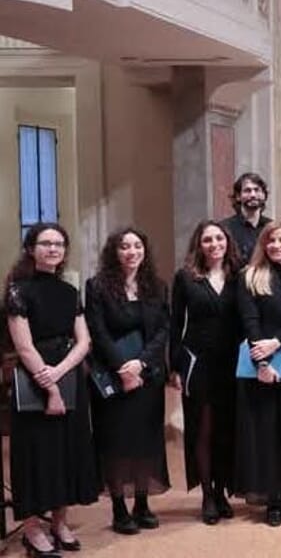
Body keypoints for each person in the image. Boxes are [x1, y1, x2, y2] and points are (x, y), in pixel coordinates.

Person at [4, 223, 98, 556]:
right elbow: (24, 346)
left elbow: (84, 340)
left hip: (68, 373)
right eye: (45, 243)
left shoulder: (69, 291)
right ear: (31, 249)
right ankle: (32, 529)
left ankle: (59, 523)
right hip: (34, 378)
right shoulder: (18, 289)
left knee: (66, 453)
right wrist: (51, 385)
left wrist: (61, 371)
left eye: (59, 243)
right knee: (36, 456)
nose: (53, 249)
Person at [85, 227, 171, 534]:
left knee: (145, 441)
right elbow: (98, 331)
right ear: (114, 252)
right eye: (124, 246)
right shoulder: (97, 287)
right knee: (116, 443)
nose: (131, 252)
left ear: (144, 251)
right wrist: (123, 368)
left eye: (137, 245)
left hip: (148, 376)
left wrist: (141, 363)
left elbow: (163, 330)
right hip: (113, 376)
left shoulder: (157, 287)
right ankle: (120, 508)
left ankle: (143, 503)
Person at [234, 221, 281, 526]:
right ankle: (272, 500)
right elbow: (249, 322)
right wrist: (262, 364)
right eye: (271, 241)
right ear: (263, 245)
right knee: (266, 434)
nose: (277, 245)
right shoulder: (249, 277)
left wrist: (278, 342)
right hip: (260, 367)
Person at [170, 220, 242, 525]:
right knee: (204, 429)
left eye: (219, 238)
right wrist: (174, 365)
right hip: (198, 362)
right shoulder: (186, 278)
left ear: (227, 242)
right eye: (207, 240)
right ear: (199, 245)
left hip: (233, 362)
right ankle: (208, 494)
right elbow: (175, 323)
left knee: (228, 430)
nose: (214, 244)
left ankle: (224, 490)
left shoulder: (240, 275)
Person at [221, 172, 272, 261]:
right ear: (238, 197)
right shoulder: (225, 228)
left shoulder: (271, 227)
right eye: (247, 191)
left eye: (257, 190)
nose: (253, 195)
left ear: (264, 195)